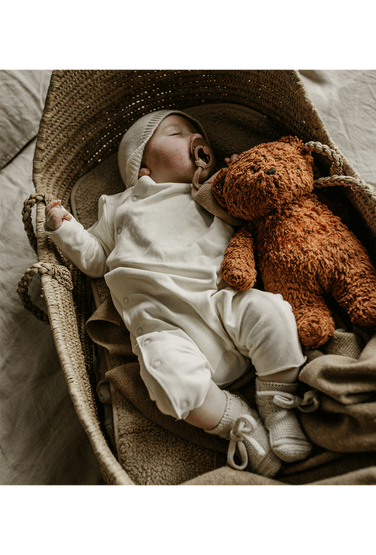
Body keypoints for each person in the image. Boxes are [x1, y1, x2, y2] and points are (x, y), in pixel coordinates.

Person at [45, 109, 313, 478]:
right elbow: (95, 260)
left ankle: (278, 405)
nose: (194, 139)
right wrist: (65, 230)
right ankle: (235, 420)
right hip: (161, 324)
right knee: (165, 376)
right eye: (177, 133)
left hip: (220, 300)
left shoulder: (212, 191)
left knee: (271, 312)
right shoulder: (120, 205)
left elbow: (249, 207)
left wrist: (239, 175)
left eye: (195, 133)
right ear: (142, 167)